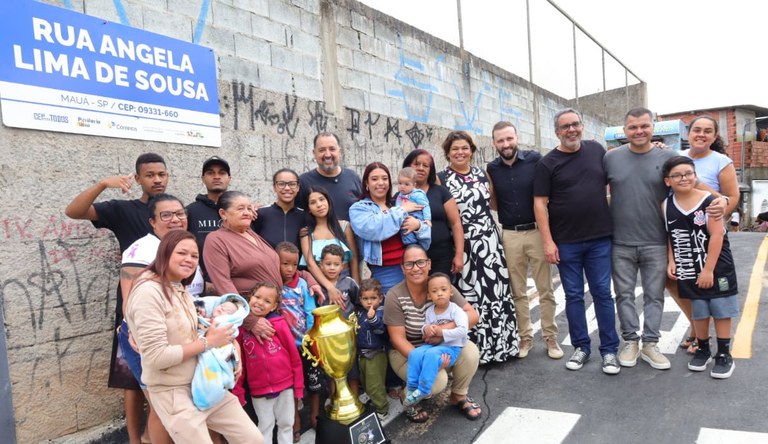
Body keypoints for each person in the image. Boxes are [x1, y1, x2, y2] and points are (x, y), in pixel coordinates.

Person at [64, 152, 168, 444]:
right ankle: (135, 439)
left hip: (169, 307)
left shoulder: (172, 210)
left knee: (164, 378)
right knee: (132, 381)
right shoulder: (123, 209)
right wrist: (102, 185)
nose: (157, 179)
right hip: (132, 306)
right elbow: (74, 211)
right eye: (150, 175)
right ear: (137, 179)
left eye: (161, 174)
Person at [125, 230, 263, 443]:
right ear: (165, 253)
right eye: (182, 253)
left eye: (194, 255)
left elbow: (204, 329)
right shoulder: (148, 292)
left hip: (206, 383)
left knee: (253, 439)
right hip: (173, 392)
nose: (188, 260)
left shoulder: (178, 287)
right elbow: (157, 357)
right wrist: (208, 342)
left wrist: (234, 350)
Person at [533, 108, 621, 374]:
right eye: (565, 127)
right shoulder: (547, 163)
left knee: (603, 294)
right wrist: (548, 242)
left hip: (599, 239)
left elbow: (619, 173)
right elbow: (540, 204)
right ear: (557, 132)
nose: (571, 130)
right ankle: (581, 347)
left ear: (582, 126)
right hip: (566, 242)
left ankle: (609, 351)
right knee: (573, 296)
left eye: (575, 124)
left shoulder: (597, 152)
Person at [603, 108, 678, 370]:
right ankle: (631, 341)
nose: (639, 131)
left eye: (644, 126)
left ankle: (650, 344)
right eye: (633, 127)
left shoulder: (668, 157)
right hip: (620, 241)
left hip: (656, 241)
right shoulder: (611, 158)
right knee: (623, 295)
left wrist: (721, 198)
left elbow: (687, 184)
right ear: (625, 131)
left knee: (654, 296)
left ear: (653, 128)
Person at [438, 131, 518, 364]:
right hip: (464, 244)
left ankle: (502, 347)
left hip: (490, 242)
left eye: (465, 148)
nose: (460, 152)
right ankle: (473, 354)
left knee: (496, 293)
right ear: (448, 153)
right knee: (470, 296)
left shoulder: (483, 174)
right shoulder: (441, 178)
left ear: (472, 151)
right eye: (455, 149)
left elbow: (492, 203)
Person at [487, 121, 562, 360]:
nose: (506, 144)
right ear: (494, 143)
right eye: (501, 140)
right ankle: (525, 337)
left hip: (537, 232)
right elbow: (493, 201)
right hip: (509, 234)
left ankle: (550, 336)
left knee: (545, 289)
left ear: (516, 138)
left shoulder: (535, 160)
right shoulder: (492, 168)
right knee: (517, 291)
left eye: (509, 139)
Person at [203, 191, 320, 343]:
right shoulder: (216, 240)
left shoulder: (250, 233)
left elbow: (275, 268)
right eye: (240, 209)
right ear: (223, 213)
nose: (247, 212)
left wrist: (308, 278)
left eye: (249, 208)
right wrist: (250, 320)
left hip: (274, 311)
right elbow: (223, 284)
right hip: (252, 318)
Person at [384, 244, 482, 423]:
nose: (416, 268)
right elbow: (397, 339)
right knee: (438, 380)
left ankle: (459, 396)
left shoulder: (440, 285)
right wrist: (426, 361)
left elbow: (472, 315)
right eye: (410, 264)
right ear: (402, 269)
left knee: (470, 351)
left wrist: (443, 330)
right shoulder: (394, 295)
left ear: (429, 264)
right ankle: (409, 399)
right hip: (408, 353)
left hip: (439, 346)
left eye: (420, 262)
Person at [663, 156, 738, 379]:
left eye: (688, 173)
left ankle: (724, 354)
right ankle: (703, 348)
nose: (683, 178)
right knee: (699, 308)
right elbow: (671, 235)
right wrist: (672, 259)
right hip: (687, 265)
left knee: (721, 307)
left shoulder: (710, 201)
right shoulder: (666, 205)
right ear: (668, 181)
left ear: (695, 176)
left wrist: (708, 270)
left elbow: (716, 236)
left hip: (716, 265)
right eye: (677, 175)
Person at [675, 115, 740, 351]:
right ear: (688, 133)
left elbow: (732, 198)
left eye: (707, 131)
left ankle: (702, 338)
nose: (701, 134)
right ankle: (697, 330)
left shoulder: (721, 161)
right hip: (681, 234)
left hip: (710, 235)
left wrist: (722, 204)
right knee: (680, 284)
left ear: (714, 136)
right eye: (696, 130)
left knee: (709, 287)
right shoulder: (678, 157)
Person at [238, 282, 304, 443]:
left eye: (267, 301)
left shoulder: (279, 324)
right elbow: (240, 364)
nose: (260, 303)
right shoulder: (241, 329)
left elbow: (294, 356)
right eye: (257, 297)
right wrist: (238, 392)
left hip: (285, 386)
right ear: (250, 297)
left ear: (274, 306)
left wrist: (298, 387)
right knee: (265, 426)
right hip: (258, 389)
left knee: (286, 423)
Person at [350, 162, 431, 293]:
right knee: (390, 310)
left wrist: (418, 226)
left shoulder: (398, 203)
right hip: (385, 271)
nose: (381, 183)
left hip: (413, 267)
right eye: (374, 179)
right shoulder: (359, 208)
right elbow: (374, 229)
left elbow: (427, 237)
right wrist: (401, 211)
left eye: (385, 178)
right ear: (366, 183)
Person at [275, 242, 319, 438]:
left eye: (294, 264)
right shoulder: (274, 285)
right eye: (285, 264)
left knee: (314, 380)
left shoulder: (302, 284)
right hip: (285, 347)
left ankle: (316, 415)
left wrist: (310, 334)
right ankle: (295, 421)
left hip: (305, 344)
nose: (290, 269)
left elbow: (310, 310)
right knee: (292, 385)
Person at [403, 273, 468, 407]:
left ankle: (424, 390)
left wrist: (441, 332)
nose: (439, 294)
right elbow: (425, 327)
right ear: (429, 296)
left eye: (443, 290)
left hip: (452, 348)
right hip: (434, 346)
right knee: (415, 353)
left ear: (451, 291)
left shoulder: (456, 311)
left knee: (431, 355)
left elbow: (463, 330)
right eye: (434, 291)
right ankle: (411, 387)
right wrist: (426, 329)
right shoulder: (430, 311)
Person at [401, 150, 464, 276]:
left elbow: (456, 223)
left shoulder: (441, 192)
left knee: (440, 294)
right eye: (416, 164)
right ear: (408, 166)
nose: (420, 168)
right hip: (413, 262)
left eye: (425, 166)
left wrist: (459, 255)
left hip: (442, 257)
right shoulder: (399, 197)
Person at [300, 187, 361, 305]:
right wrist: (329, 287)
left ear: (328, 201)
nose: (319, 205)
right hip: (319, 283)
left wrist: (356, 284)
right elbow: (310, 263)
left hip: (345, 280)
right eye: (313, 202)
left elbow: (353, 258)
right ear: (308, 209)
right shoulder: (306, 232)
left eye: (322, 199)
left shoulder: (343, 226)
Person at [297, 132, 362, 220]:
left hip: (350, 234)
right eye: (322, 150)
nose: (327, 155)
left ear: (340, 152)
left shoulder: (352, 177)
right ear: (314, 153)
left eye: (332, 149)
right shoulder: (303, 182)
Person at [187, 156, 232, 279]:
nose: (216, 176)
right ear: (203, 179)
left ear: (229, 178)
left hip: (237, 281)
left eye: (222, 173)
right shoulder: (190, 211)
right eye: (210, 173)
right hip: (204, 284)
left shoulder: (241, 211)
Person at [355, 279, 389, 420]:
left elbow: (382, 331)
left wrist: (373, 319)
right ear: (360, 299)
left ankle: (382, 409)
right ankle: (375, 400)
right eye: (365, 298)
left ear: (380, 298)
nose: (369, 302)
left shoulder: (380, 312)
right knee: (366, 381)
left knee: (375, 383)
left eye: (373, 298)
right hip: (362, 354)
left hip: (375, 354)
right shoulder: (360, 313)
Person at [252, 169, 305, 249]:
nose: (287, 188)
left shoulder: (304, 216)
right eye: (281, 184)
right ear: (274, 187)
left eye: (292, 184)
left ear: (298, 188)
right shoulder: (260, 214)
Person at [395, 167, 432, 245]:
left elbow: (425, 206)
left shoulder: (417, 195)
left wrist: (427, 219)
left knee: (419, 239)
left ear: (414, 185)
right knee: (406, 235)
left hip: (417, 218)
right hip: (404, 221)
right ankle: (409, 246)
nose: (402, 186)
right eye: (400, 183)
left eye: (406, 184)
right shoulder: (399, 195)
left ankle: (416, 247)